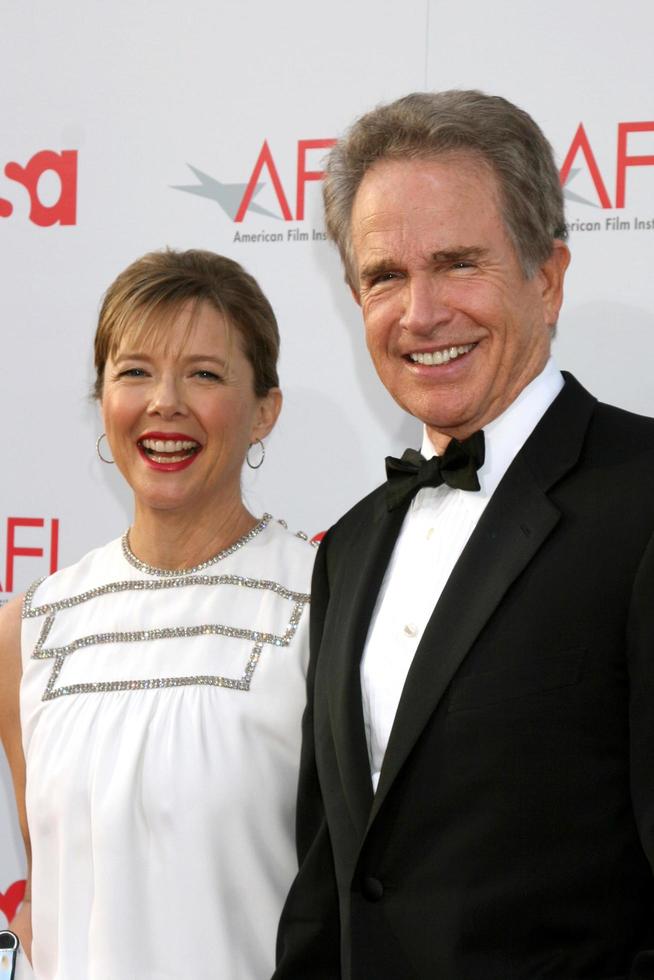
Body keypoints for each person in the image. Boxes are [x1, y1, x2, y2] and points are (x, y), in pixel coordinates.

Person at [274, 91, 654, 979]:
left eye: (456, 264)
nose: (421, 312)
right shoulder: (353, 546)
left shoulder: (643, 502)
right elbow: (331, 881)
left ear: (548, 276)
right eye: (384, 277)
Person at [0, 248, 316, 980]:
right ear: (102, 400)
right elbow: (49, 899)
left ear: (264, 409)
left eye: (204, 374)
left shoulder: (323, 604)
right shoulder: (32, 630)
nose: (164, 402)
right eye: (134, 371)